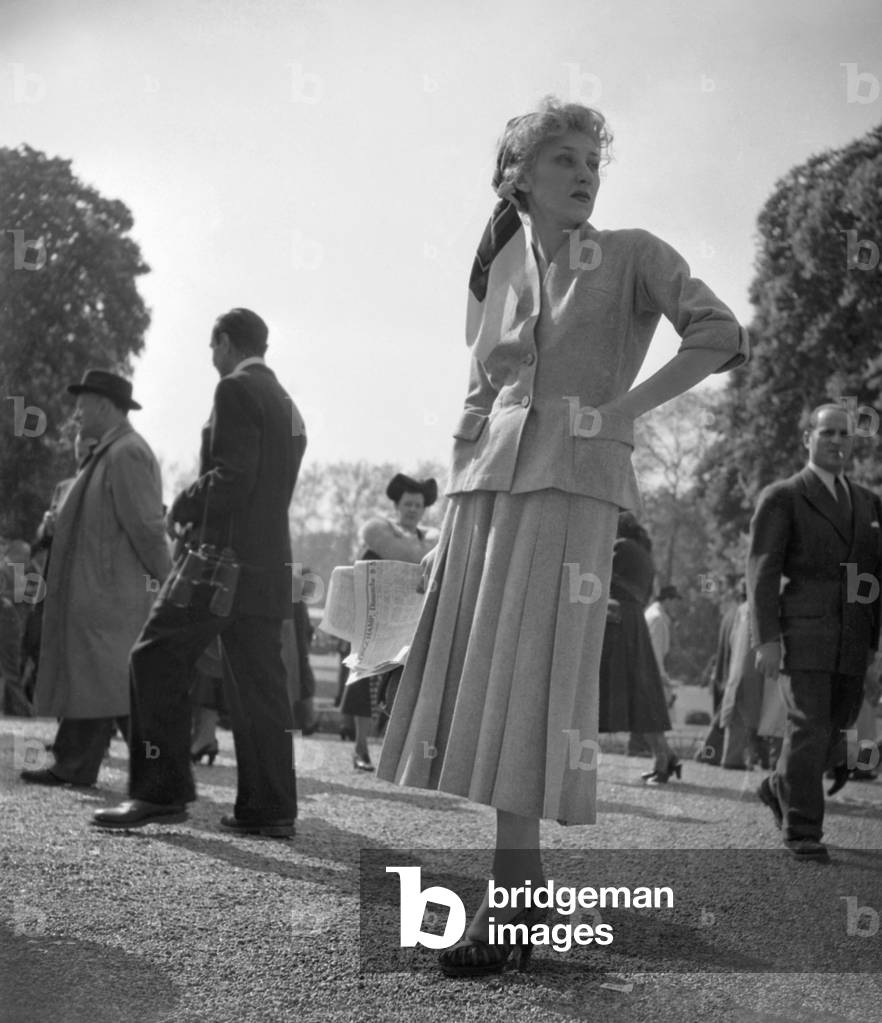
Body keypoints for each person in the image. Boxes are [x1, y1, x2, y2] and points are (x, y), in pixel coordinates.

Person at [377, 96, 748, 976]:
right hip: (485, 495)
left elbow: (721, 333)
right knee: (488, 689)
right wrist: (447, 519)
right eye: (563, 160)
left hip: (572, 488)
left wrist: (624, 410)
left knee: (532, 680)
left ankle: (511, 902)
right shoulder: (506, 281)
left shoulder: (633, 254)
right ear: (519, 178)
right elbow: (477, 397)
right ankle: (525, 888)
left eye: (591, 161)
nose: (584, 174)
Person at [93, 308, 306, 838]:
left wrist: (184, 505)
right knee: (260, 687)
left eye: (213, 347)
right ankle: (269, 807)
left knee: (153, 657)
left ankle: (159, 791)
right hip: (268, 566)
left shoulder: (235, 389)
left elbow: (232, 477)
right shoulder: (286, 403)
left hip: (218, 566)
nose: (212, 357)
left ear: (225, 342)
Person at [21, 371, 171, 788]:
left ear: (104, 406)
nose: (76, 413)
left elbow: (147, 529)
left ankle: (161, 781)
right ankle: (78, 764)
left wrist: (169, 583)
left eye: (82, 404)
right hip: (101, 595)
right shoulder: (111, 453)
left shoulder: (126, 454)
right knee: (100, 681)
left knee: (115, 685)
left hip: (112, 596)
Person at [750, 403, 882, 862]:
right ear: (807, 437)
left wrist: (873, 644)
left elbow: (873, 576)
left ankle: (777, 786)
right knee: (808, 727)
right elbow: (762, 573)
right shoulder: (784, 496)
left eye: (845, 434)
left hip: (854, 636)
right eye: (827, 432)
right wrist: (766, 639)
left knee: (835, 731)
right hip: (803, 631)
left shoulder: (868, 502)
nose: (837, 441)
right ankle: (803, 829)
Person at [340, 473, 437, 770]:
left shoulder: (431, 544)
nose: (412, 510)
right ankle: (360, 748)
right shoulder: (379, 538)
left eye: (418, 505)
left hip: (411, 624)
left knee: (403, 685)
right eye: (408, 504)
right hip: (375, 620)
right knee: (364, 681)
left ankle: (396, 754)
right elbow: (359, 575)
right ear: (397, 506)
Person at [598, 513, 680, 785]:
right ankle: (664, 755)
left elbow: (597, 577)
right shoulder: (644, 554)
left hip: (616, 623)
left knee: (595, 690)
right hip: (633, 622)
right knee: (642, 696)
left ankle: (664, 757)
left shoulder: (620, 547)